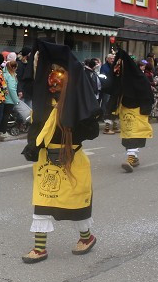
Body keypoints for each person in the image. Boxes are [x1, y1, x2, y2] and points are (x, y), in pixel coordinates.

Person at [20, 39, 102, 263]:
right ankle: (40, 248)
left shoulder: (77, 106)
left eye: (58, 84)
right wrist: (32, 146)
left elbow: (91, 132)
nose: (53, 88)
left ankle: (86, 237)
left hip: (71, 158)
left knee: (74, 203)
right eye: (51, 84)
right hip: (47, 159)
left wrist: (78, 118)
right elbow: (37, 129)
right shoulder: (44, 105)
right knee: (43, 202)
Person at [113, 51, 154, 173]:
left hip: (138, 110)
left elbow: (147, 94)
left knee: (135, 133)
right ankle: (134, 158)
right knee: (128, 134)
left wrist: (146, 109)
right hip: (125, 109)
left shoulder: (139, 78)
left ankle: (130, 159)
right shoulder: (122, 78)